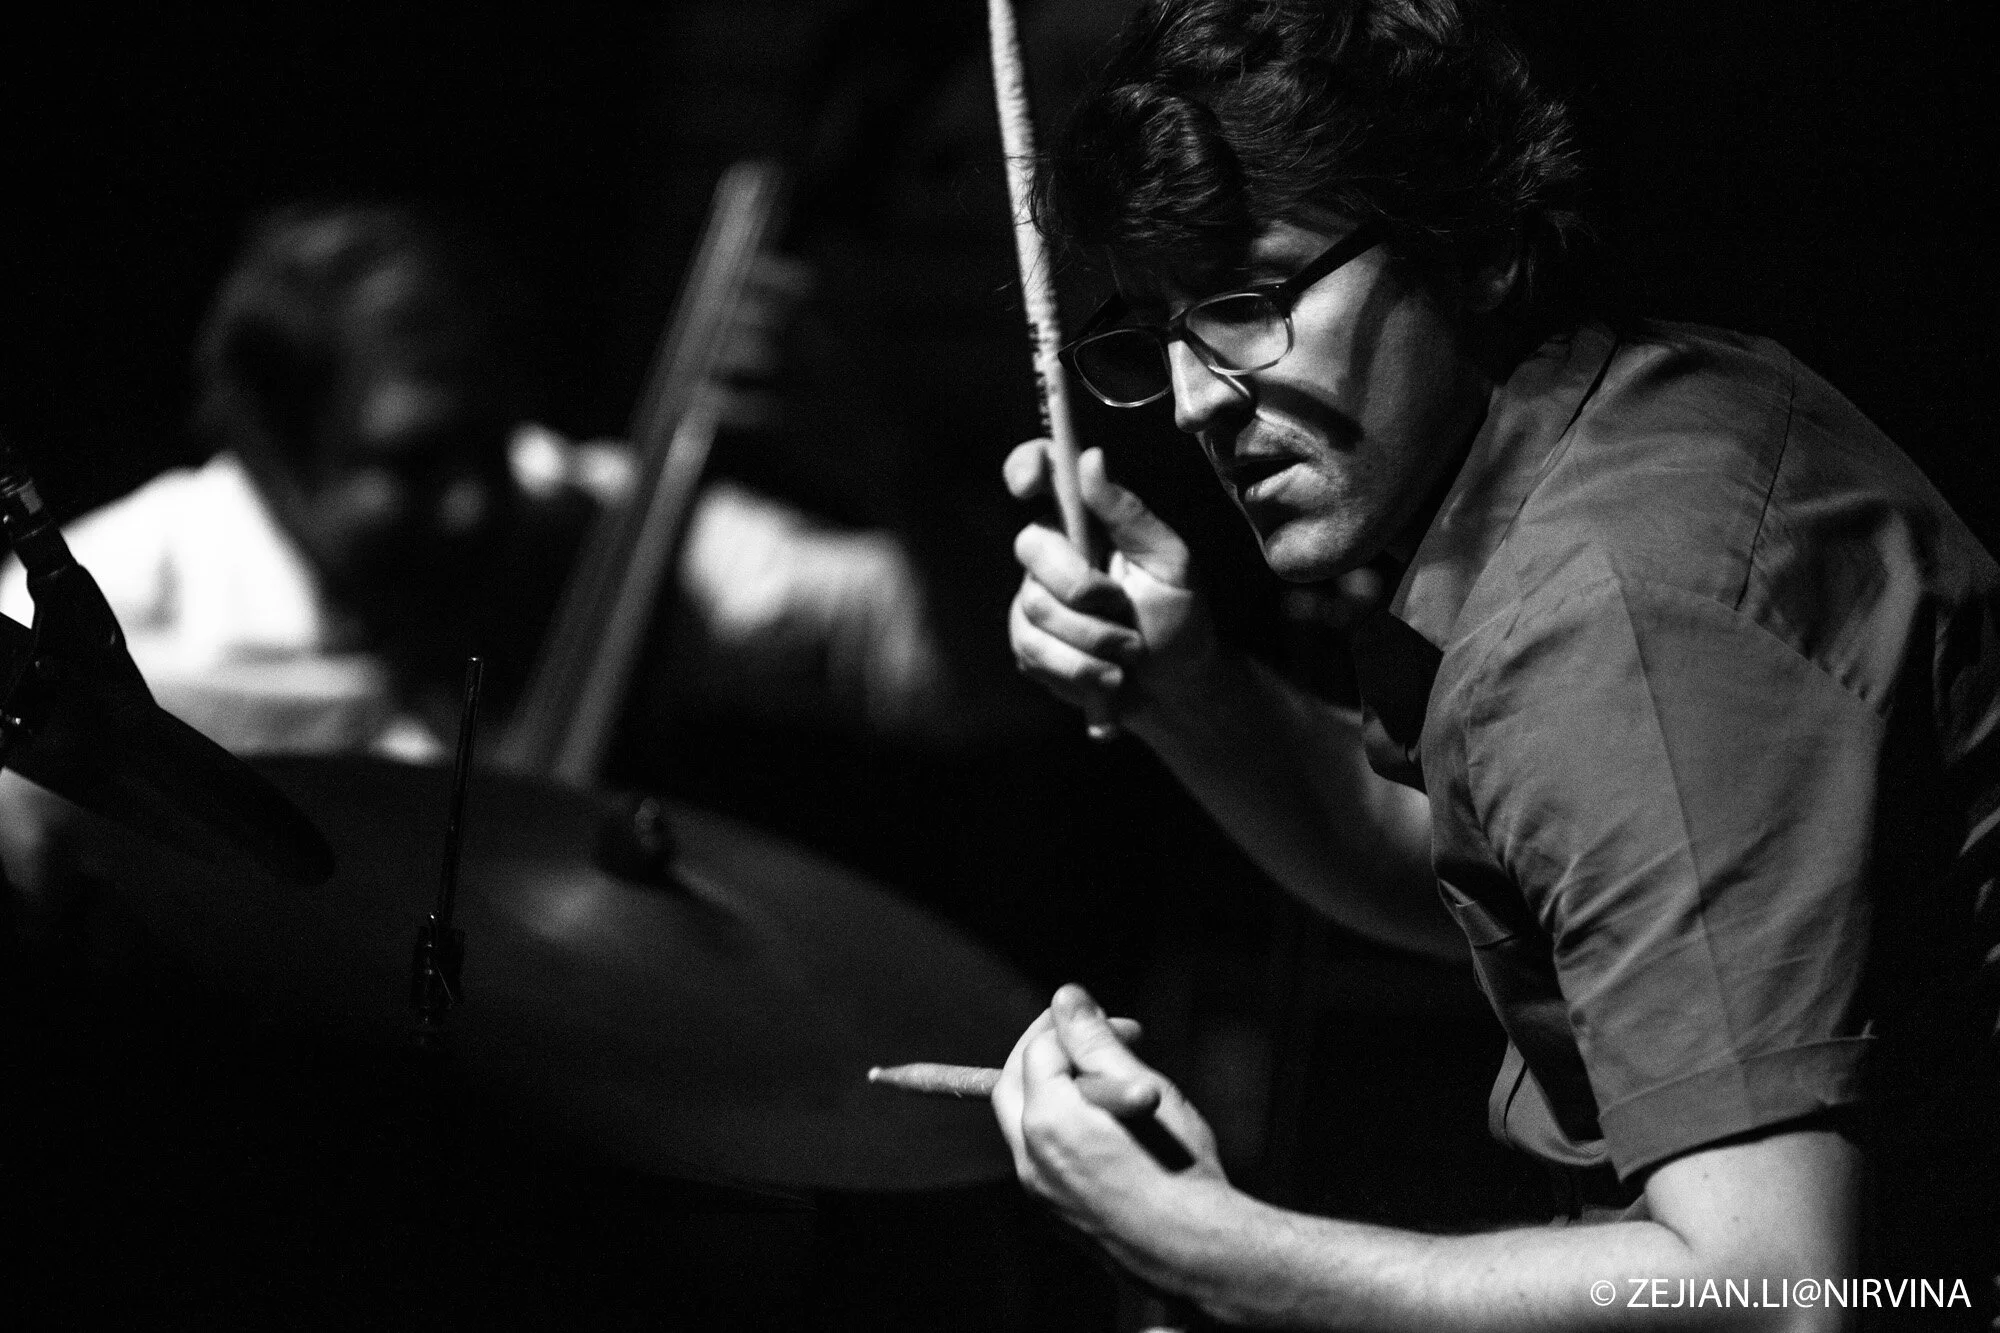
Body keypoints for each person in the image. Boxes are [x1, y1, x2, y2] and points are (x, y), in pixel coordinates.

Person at [998, 0, 2000, 1326]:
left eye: (1247, 302)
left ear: (1460, 247)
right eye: (1162, 331)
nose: (1193, 401)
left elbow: (1771, 1291)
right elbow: (1503, 875)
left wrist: (1211, 1251)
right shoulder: (1608, 430)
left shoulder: (1615, 619)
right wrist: (1190, 691)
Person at [0, 202, 951, 887]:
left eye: (489, 441)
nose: (473, 503)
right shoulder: (98, 615)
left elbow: (943, 668)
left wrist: (880, 455)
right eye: (411, 463)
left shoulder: (587, 520)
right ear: (270, 451)